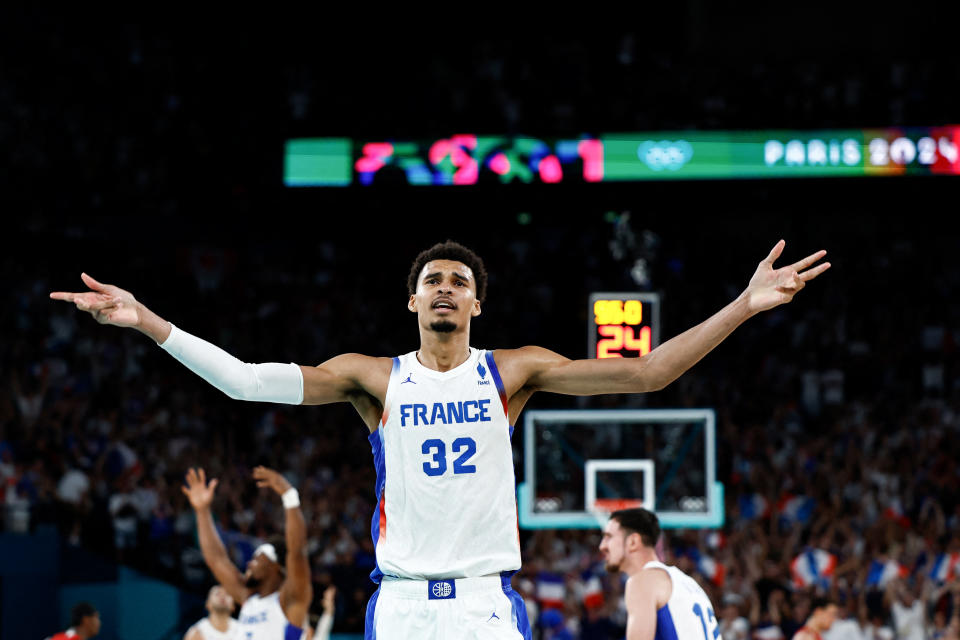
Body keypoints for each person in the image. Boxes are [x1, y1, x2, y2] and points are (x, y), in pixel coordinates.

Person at [52, 239, 829, 640]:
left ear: (477, 304)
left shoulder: (513, 371)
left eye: (460, 281)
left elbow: (650, 374)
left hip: (485, 604)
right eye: (434, 280)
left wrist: (743, 306)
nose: (447, 288)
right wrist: (148, 321)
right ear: (413, 300)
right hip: (400, 607)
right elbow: (245, 381)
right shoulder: (374, 378)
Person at [180, 466, 312, 640]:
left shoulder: (289, 599)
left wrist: (289, 495)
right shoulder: (247, 597)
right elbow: (217, 559)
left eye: (258, 559)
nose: (250, 563)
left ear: (275, 567)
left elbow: (297, 552)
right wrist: (202, 511)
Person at [599, 507, 721, 640]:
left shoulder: (643, 581)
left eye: (608, 537)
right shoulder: (689, 584)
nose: (602, 546)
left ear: (633, 541)